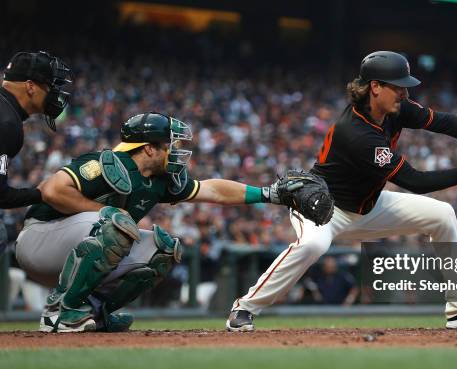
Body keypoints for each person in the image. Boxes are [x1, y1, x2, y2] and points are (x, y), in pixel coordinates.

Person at [226, 51, 457, 331]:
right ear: (376, 87)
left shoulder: (394, 110)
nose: (405, 94)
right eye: (399, 87)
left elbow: (444, 122)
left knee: (442, 214)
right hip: (323, 208)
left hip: (368, 205)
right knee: (312, 246)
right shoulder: (357, 133)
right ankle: (245, 307)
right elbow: (415, 181)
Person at [15, 112, 299, 333]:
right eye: (168, 145)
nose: (173, 151)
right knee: (116, 223)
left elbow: (213, 190)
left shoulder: (159, 180)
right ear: (148, 149)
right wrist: (104, 211)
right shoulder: (106, 163)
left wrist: (268, 194)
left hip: (76, 249)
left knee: (162, 249)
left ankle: (92, 313)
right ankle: (59, 312)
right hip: (38, 241)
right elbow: (51, 190)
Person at [0, 51, 73, 251]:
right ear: (30, 86)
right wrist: (41, 193)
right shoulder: (7, 123)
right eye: (49, 86)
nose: (54, 93)